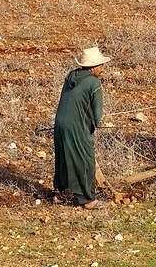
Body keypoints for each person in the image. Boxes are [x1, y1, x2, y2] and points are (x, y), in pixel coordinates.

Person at [52, 46, 110, 209]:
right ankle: (87, 199)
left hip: (60, 123)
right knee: (85, 159)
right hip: (77, 126)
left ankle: (61, 192)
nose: (102, 68)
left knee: (63, 156)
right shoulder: (94, 82)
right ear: (93, 67)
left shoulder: (71, 76)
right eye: (100, 65)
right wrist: (94, 126)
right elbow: (97, 113)